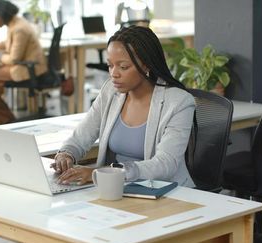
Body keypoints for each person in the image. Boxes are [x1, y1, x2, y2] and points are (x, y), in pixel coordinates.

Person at [52, 25, 196, 187]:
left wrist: (103, 173)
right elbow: (80, 137)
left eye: (123, 67)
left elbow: (165, 164)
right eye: (110, 65)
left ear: (146, 65)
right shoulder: (110, 91)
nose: (114, 73)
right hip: (117, 188)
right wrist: (66, 154)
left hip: (164, 192)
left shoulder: (179, 102)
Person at [0, 0, 47, 125]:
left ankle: (3, 120)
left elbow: (13, 58)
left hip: (27, 68)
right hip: (23, 65)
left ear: (1, 15)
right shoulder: (15, 23)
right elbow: (7, 44)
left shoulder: (19, 28)